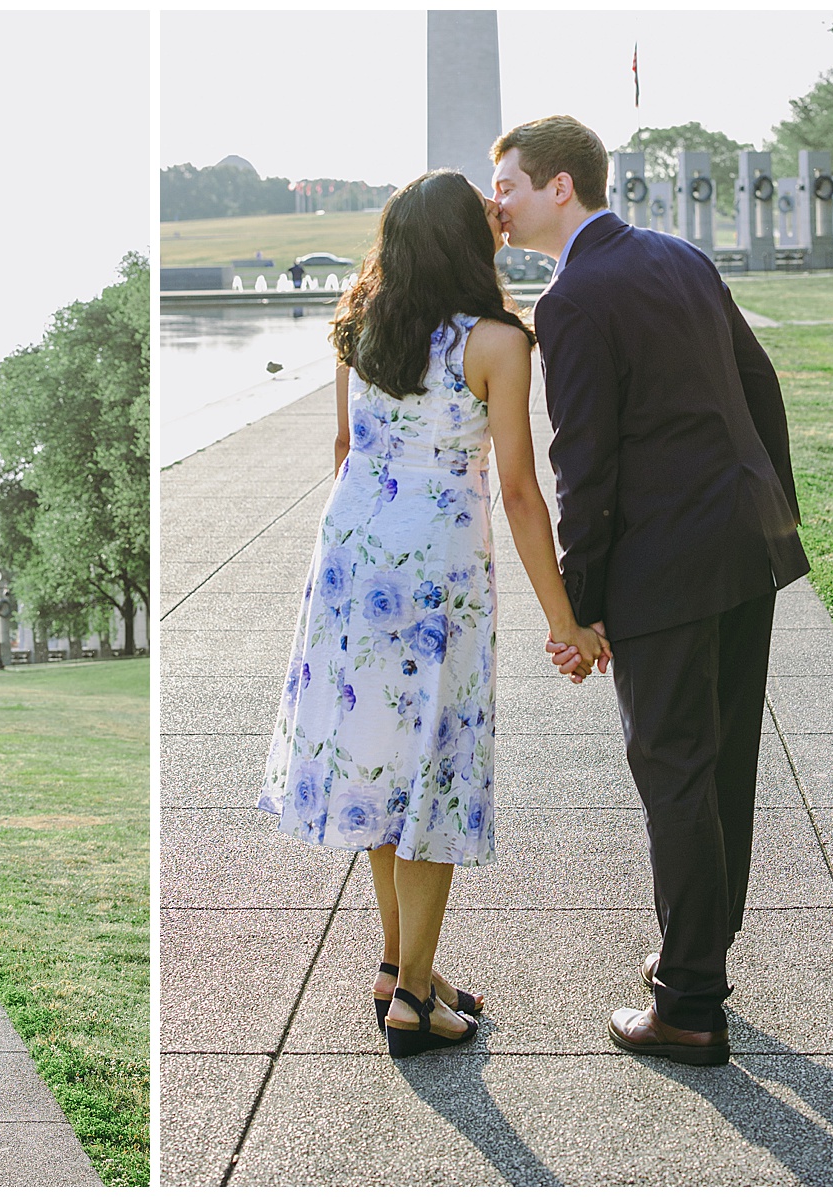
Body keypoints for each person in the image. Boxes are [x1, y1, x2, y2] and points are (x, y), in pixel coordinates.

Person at [258, 170, 606, 1058]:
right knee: (436, 771)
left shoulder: (359, 325)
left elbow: (344, 448)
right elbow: (522, 492)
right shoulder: (495, 341)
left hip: (351, 557)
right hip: (437, 568)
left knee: (380, 761)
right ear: (466, 242)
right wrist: (563, 618)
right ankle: (414, 996)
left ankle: (398, 962)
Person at [490, 115, 809, 1065]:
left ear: (559, 187)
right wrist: (773, 513)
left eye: (506, 182)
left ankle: (689, 1004)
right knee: (724, 765)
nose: (495, 201)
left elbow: (584, 467)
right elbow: (762, 386)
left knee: (674, 770)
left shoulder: (575, 299)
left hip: (667, 570)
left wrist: (579, 604)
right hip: (744, 549)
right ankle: (698, 953)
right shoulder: (680, 255)